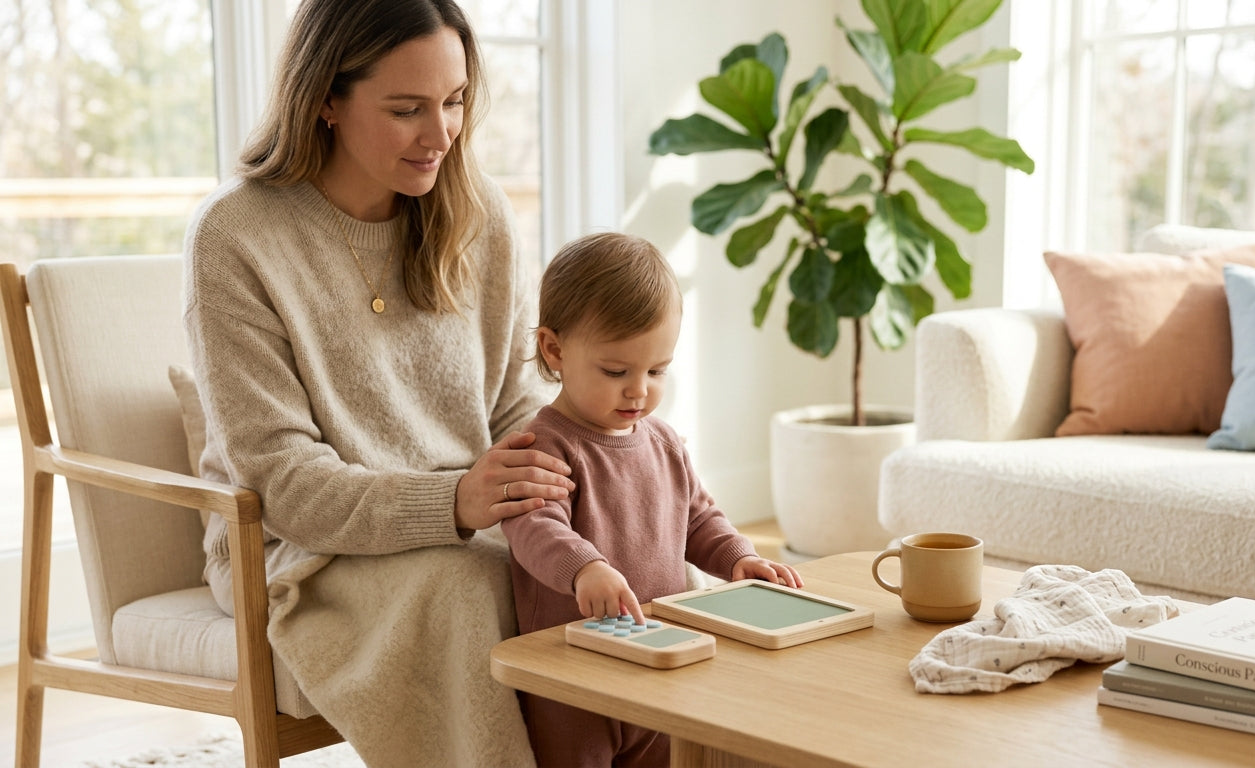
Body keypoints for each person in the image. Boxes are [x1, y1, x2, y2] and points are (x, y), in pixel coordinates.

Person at [181, 1, 572, 765]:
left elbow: (514, 408)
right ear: (325, 97)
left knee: (644, 561)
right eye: (406, 110)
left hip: (462, 521)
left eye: (456, 101)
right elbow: (285, 483)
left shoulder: (477, 211)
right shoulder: (236, 235)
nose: (441, 135)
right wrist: (454, 502)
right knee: (469, 592)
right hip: (295, 547)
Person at [502, 232, 803, 767]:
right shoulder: (544, 446)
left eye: (657, 370)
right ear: (554, 350)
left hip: (662, 655)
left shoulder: (663, 442)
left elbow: (699, 517)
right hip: (575, 668)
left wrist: (738, 557)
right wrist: (584, 569)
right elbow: (534, 528)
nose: (639, 390)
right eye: (616, 372)